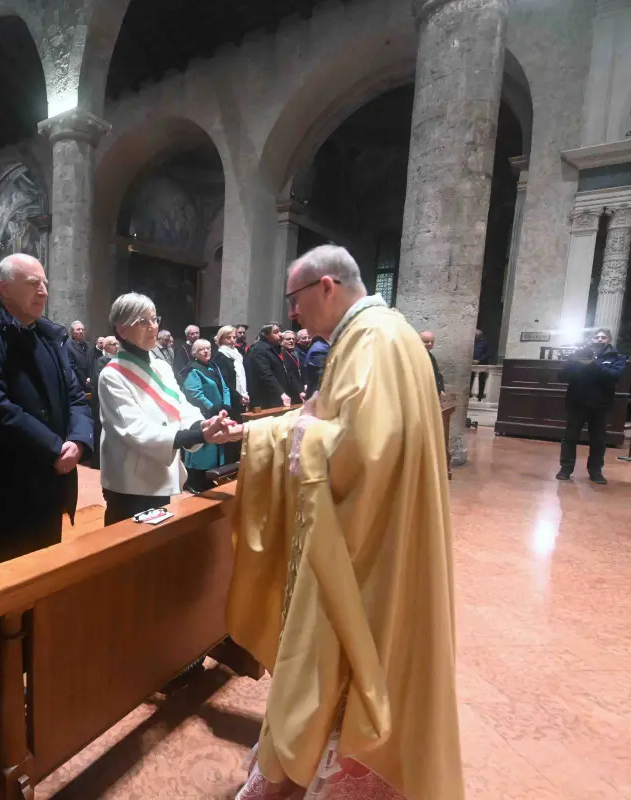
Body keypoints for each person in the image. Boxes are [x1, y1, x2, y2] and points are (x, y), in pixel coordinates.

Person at [230, 244, 461, 800]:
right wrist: (257, 433)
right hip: (379, 533)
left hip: (361, 548)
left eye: (295, 299)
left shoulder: (373, 339)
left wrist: (295, 436)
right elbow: (336, 423)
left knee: (342, 658)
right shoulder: (385, 333)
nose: (292, 314)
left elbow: (362, 450)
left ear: (326, 287)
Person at [0, 254, 93, 568]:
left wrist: (79, 441)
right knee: (4, 588)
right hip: (6, 489)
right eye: (33, 283)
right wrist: (55, 447)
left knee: (44, 577)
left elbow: (76, 397)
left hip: (50, 480)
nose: (44, 290)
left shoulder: (48, 335)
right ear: (4, 288)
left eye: (45, 283)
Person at [97, 294, 239, 525]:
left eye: (154, 319)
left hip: (162, 471)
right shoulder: (112, 374)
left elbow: (181, 406)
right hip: (131, 480)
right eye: (143, 321)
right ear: (122, 330)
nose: (153, 327)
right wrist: (197, 435)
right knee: (129, 551)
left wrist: (202, 424)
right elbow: (135, 431)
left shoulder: (161, 366)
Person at [556, 328, 627, 484]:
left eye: (603, 337)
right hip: (576, 402)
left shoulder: (616, 357)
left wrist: (592, 364)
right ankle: (566, 468)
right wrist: (573, 362)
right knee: (570, 437)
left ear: (609, 339)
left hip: (600, 404)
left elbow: (614, 376)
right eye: (597, 337)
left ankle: (595, 471)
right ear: (592, 339)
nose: (600, 339)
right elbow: (562, 377)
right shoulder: (579, 354)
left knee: (598, 439)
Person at [179, 338, 234, 491]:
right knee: (202, 451)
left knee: (214, 448)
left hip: (218, 413)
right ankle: (195, 481)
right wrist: (212, 407)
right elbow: (193, 393)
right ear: (195, 353)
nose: (206, 351)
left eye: (208, 348)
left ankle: (208, 477)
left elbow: (225, 387)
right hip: (203, 415)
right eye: (202, 349)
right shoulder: (193, 370)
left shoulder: (213, 366)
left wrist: (226, 405)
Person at [88, 336, 120, 468]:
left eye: (117, 344)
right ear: (106, 347)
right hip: (102, 403)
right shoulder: (101, 361)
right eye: (113, 344)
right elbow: (99, 382)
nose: (117, 346)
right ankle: (98, 461)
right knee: (101, 431)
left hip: (116, 403)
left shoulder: (120, 361)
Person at [245, 322, 291, 410]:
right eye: (276, 332)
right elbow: (266, 374)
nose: (280, 334)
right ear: (265, 335)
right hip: (267, 399)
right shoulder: (258, 350)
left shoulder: (276, 349)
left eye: (280, 331)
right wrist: (281, 393)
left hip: (278, 396)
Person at [66, 319, 93, 393]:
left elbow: (90, 363)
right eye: (78, 329)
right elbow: (72, 366)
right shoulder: (68, 346)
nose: (81, 331)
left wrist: (90, 378)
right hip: (77, 383)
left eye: (82, 329)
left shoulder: (87, 345)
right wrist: (84, 380)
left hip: (89, 382)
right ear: (72, 332)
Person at [280, 329, 305, 403]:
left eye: (293, 339)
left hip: (299, 388)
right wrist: (299, 390)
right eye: (288, 339)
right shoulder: (281, 353)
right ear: (282, 341)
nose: (291, 341)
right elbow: (290, 374)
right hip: (289, 391)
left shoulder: (295, 353)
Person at [470, 328, 492, 400]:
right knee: (470, 378)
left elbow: (487, 353)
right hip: (471, 363)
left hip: (482, 364)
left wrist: (479, 360)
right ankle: (469, 393)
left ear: (479, 336)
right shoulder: (472, 342)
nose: (474, 336)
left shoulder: (485, 343)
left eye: (476, 335)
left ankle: (480, 395)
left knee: (482, 379)